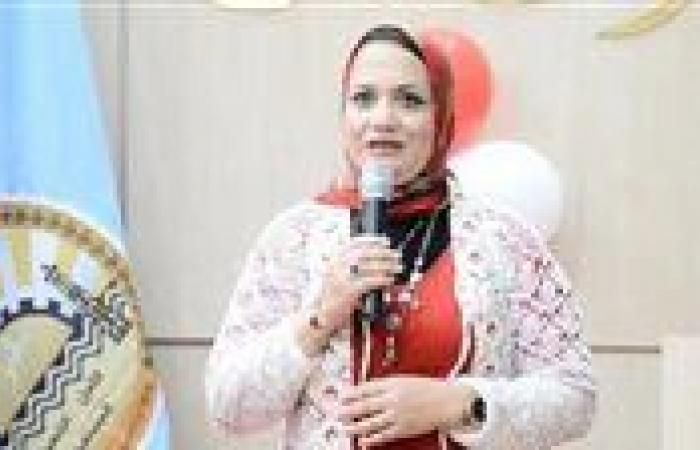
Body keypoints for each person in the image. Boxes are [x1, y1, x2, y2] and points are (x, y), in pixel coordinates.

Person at [205, 24, 596, 450]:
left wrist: (457, 403)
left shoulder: (502, 238)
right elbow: (228, 406)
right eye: (363, 98)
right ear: (344, 115)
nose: (383, 119)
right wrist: (320, 315)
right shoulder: (294, 238)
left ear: (440, 116)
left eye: (409, 100)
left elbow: (575, 395)